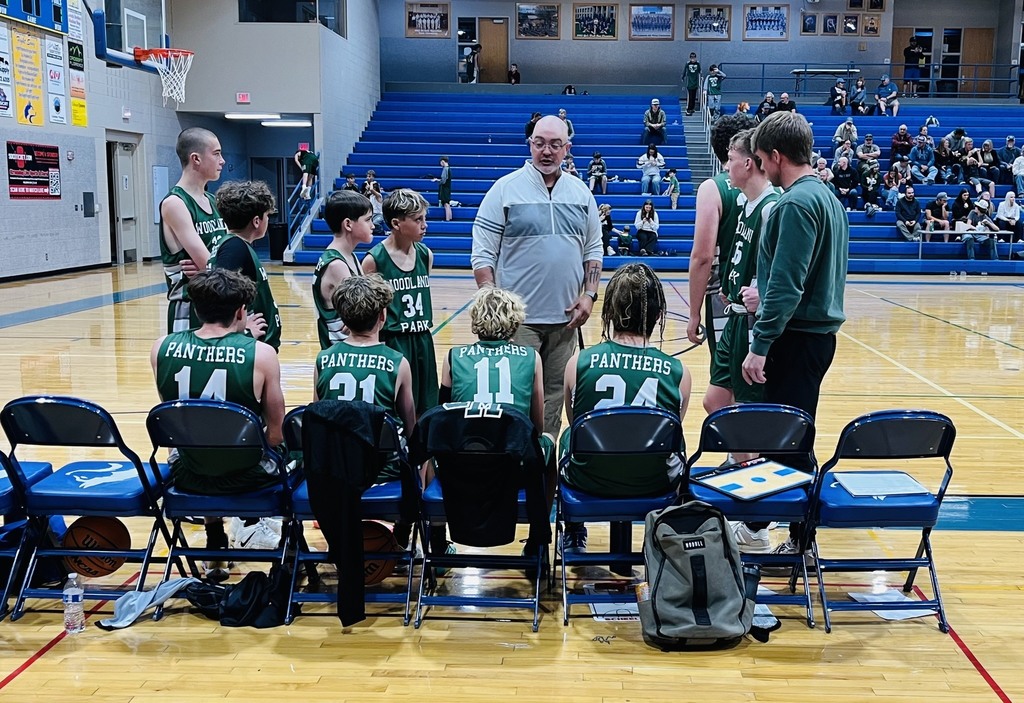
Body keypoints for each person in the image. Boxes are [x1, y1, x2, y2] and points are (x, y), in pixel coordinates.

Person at [743, 111, 848, 557]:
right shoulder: (827, 197)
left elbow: (787, 286)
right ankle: (796, 531)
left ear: (776, 155)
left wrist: (760, 345)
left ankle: (773, 529)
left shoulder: (795, 204)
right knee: (794, 433)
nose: (761, 169)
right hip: (814, 337)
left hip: (794, 337)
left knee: (783, 436)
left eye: (762, 160)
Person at [471, 115, 603, 436]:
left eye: (555, 144)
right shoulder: (504, 190)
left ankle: (544, 466)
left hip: (566, 320)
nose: (547, 151)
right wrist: (492, 301)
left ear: (567, 148)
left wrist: (589, 295)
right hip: (519, 322)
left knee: (556, 397)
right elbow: (482, 252)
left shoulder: (581, 193)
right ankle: (515, 464)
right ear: (530, 144)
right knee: (518, 394)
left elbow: (593, 250)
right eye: (540, 143)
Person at [151, 268, 286, 580]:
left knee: (197, 438)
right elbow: (277, 434)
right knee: (291, 449)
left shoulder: (161, 348)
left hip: (189, 473)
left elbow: (177, 416)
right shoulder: (262, 355)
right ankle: (274, 538)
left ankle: (215, 538)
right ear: (241, 311)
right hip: (248, 475)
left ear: (197, 309)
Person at [560, 262, 692, 553]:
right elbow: (672, 429)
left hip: (588, 478)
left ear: (608, 312)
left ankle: (572, 530)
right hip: (653, 481)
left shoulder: (578, 364)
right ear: (658, 316)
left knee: (569, 436)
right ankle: (661, 537)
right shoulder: (679, 372)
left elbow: (577, 423)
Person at [439, 286, 555, 515]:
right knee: (550, 440)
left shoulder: (453, 356)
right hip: (513, 466)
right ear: (515, 321)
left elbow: (443, 417)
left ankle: (438, 536)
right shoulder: (532, 358)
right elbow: (537, 428)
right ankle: (538, 534)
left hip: (464, 466)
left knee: (431, 451)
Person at [362, 188, 437, 416]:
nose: (424, 225)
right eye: (417, 220)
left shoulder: (426, 254)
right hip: (393, 340)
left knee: (426, 404)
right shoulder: (374, 260)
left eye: (425, 218)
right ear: (396, 223)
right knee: (397, 407)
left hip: (422, 338)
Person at [687, 113, 755, 353]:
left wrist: (694, 312)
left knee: (726, 376)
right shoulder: (771, 187)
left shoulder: (713, 188)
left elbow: (702, 257)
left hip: (724, 293)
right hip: (762, 295)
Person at [159, 127, 229, 334]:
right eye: (216, 154)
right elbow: (211, 264)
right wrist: (214, 270)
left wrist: (212, 271)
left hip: (220, 301)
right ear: (196, 159)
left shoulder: (212, 200)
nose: (222, 160)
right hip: (190, 309)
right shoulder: (175, 203)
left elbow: (219, 262)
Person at [208, 180, 281, 351]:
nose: (268, 220)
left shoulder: (233, 244)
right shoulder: (235, 247)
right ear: (257, 221)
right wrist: (245, 331)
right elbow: (218, 295)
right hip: (247, 349)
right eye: (267, 215)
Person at [313, 191, 375, 350]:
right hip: (342, 354)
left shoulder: (350, 256)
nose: (373, 225)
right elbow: (364, 314)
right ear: (348, 224)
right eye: (368, 220)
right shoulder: (336, 265)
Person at [433, 155, 453, 222]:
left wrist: (438, 181)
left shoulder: (445, 169)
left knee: (446, 204)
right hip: (448, 188)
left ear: (442, 161)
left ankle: (447, 219)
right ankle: (450, 218)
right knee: (447, 204)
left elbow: (443, 180)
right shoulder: (449, 168)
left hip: (444, 189)